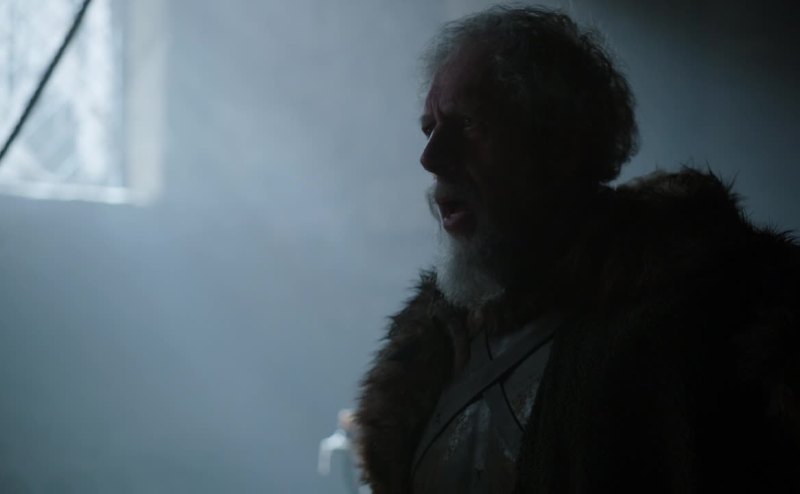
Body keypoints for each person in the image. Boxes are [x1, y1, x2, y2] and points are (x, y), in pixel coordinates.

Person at [355, 5, 800, 494]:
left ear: (559, 143)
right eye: (430, 128)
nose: (431, 157)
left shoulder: (693, 325)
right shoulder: (438, 348)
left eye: (469, 123)